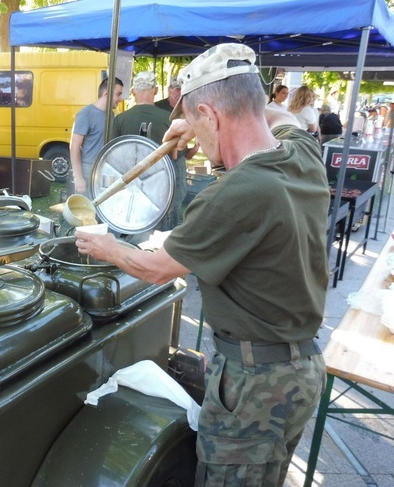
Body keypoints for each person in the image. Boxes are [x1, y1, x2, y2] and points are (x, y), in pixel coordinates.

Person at [74, 43, 328, 486]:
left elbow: (155, 268)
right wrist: (193, 121)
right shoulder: (300, 153)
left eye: (198, 121)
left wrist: (104, 246)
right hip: (301, 370)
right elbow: (278, 117)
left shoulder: (233, 194)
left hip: (256, 386)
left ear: (210, 115)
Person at [112, 71, 199, 230]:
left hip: (132, 184)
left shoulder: (120, 120)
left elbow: (113, 157)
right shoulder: (170, 120)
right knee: (163, 231)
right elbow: (176, 156)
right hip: (163, 187)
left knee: (133, 226)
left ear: (133, 91)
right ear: (156, 90)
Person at [70, 77, 124, 197]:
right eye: (118, 94)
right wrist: (78, 177)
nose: (120, 99)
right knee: (86, 212)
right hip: (88, 173)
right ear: (106, 94)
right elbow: (74, 147)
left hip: (104, 171)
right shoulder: (86, 113)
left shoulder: (110, 114)